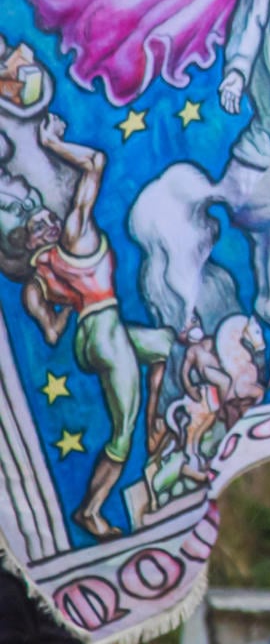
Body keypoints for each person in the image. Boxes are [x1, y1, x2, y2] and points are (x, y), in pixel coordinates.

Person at [6, 114, 175, 540]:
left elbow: (51, 333)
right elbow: (96, 162)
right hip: (105, 327)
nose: (45, 217)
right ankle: (91, 510)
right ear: (29, 239)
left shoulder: (34, 282)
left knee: (167, 349)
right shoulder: (74, 236)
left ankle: (157, 422)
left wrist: (66, 307)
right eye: (37, 222)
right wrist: (53, 144)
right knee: (122, 430)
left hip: (91, 334)